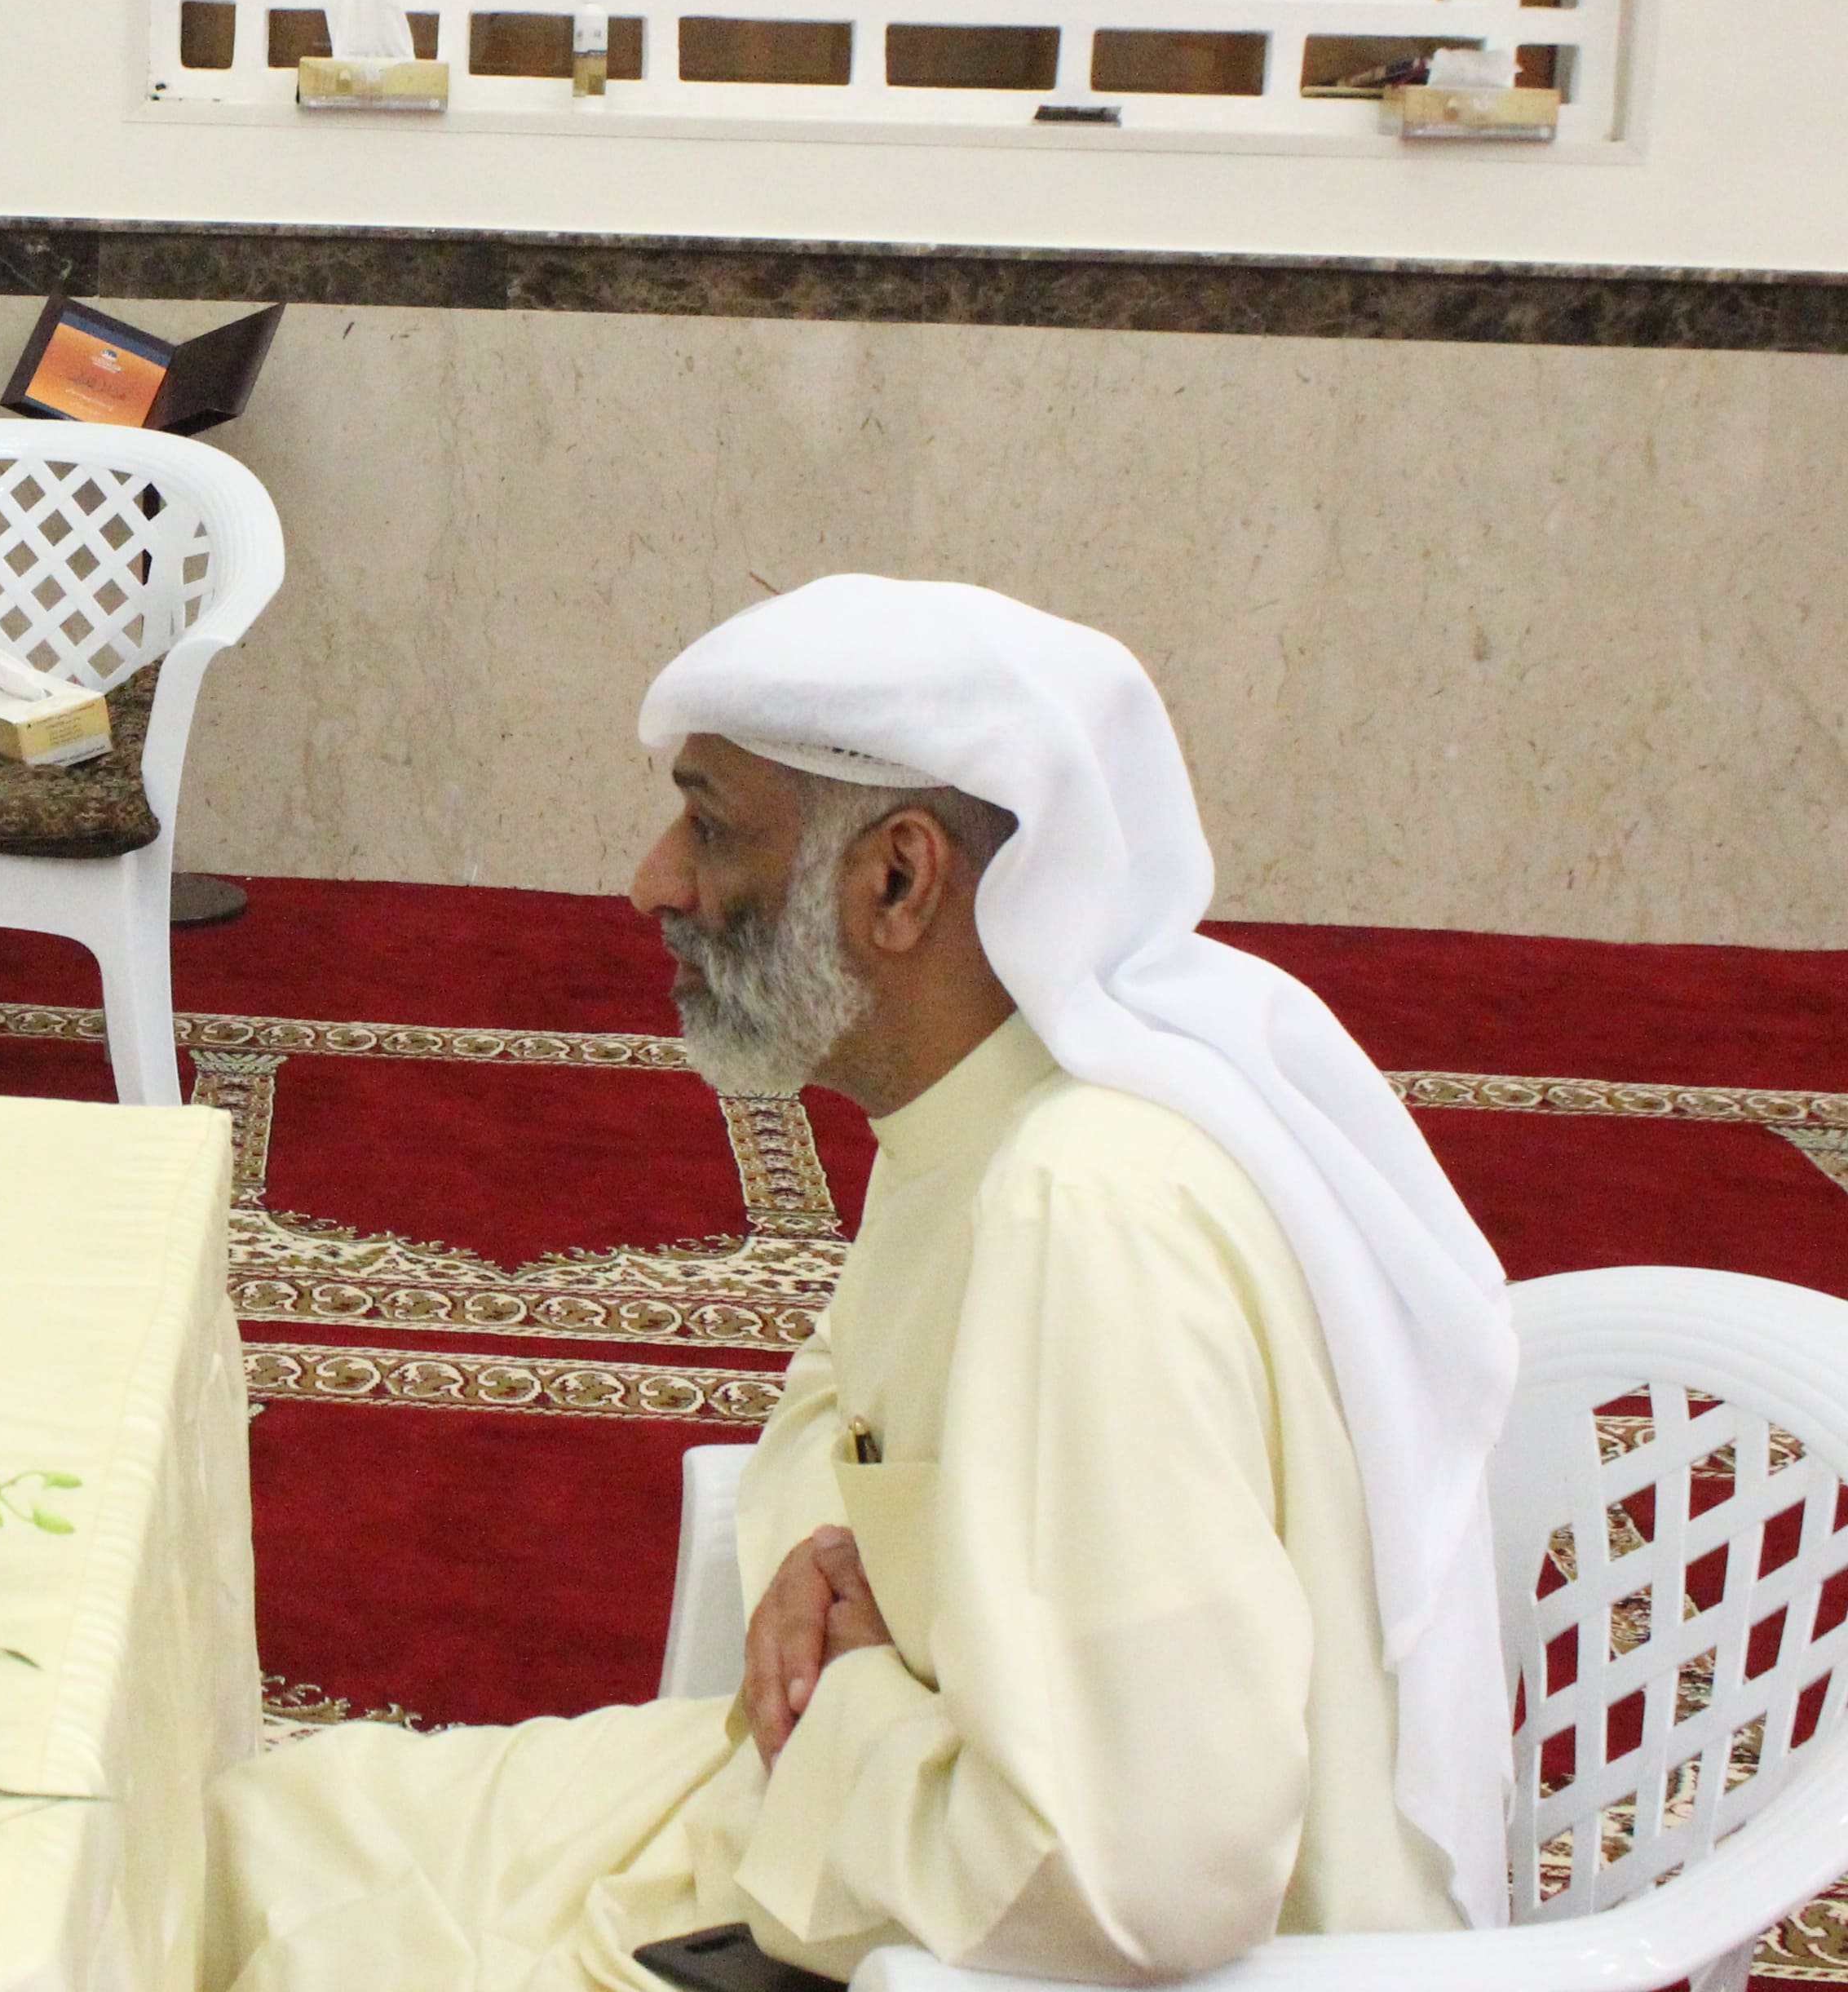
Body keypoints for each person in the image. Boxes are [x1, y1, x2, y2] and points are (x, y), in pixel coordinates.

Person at [206, 575, 1515, 1990]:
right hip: (870, 1803)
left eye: (713, 828)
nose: (653, 882)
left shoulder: (1084, 1205)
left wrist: (846, 1695)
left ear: (898, 880)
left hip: (988, 1941)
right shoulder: (980, 1109)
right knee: (258, 1838)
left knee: (292, 1954)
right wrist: (847, 1582)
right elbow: (842, 1417)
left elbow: (1139, 1890)